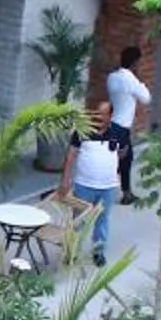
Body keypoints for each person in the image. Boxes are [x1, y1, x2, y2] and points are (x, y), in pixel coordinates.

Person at [62, 106, 123, 268]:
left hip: (108, 188)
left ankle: (98, 252)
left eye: (104, 114)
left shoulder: (119, 133)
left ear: (111, 115)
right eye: (98, 113)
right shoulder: (82, 132)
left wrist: (118, 180)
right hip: (84, 186)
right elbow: (70, 156)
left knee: (102, 220)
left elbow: (122, 155)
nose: (100, 117)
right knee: (78, 220)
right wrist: (65, 180)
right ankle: (72, 251)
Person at [105, 47, 152, 205]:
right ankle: (121, 192)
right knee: (121, 160)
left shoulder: (112, 77)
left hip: (112, 122)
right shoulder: (131, 80)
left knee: (120, 159)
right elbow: (146, 98)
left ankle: (125, 192)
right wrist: (141, 82)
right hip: (122, 126)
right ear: (135, 63)